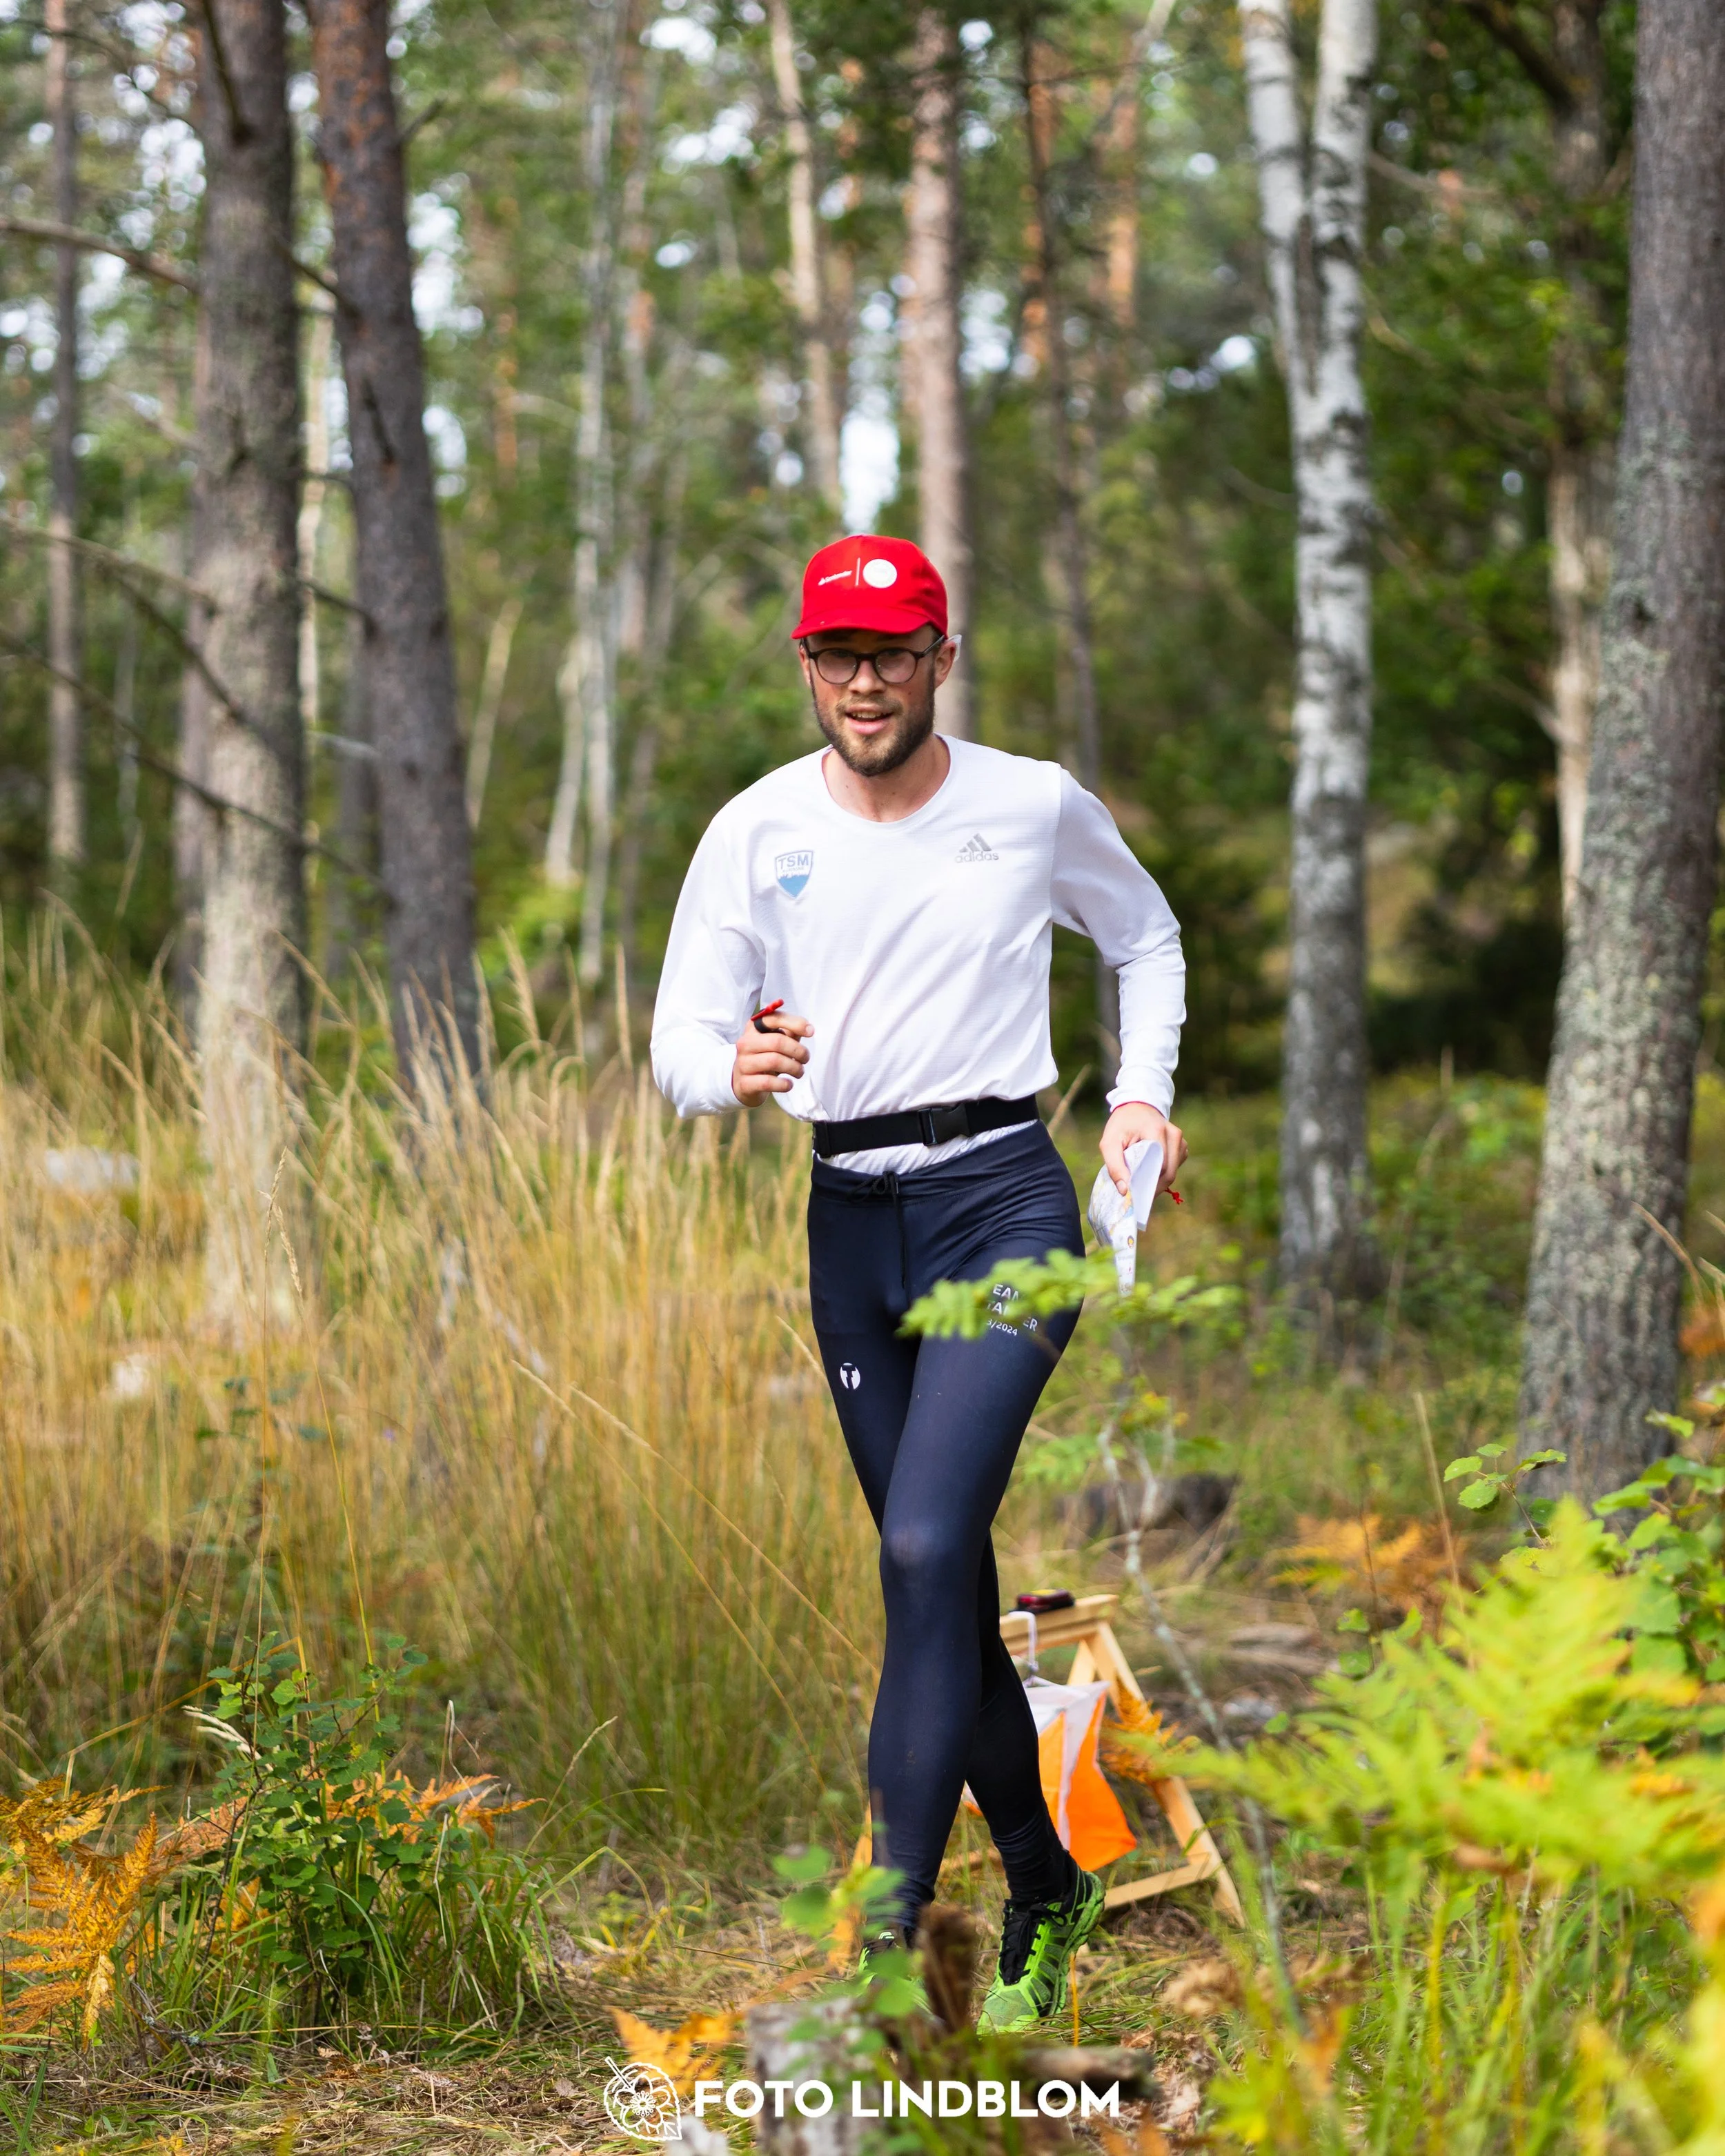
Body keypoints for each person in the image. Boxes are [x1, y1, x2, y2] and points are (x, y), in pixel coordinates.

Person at [650, 534, 1186, 2032]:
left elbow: (1142, 934)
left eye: (893, 652)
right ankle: (1044, 1877)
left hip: (1003, 1201)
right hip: (849, 1221)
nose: (865, 680)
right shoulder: (754, 830)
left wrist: (1138, 1094)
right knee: (934, 1574)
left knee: (923, 1541)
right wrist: (728, 1071)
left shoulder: (1026, 804)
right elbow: (678, 1035)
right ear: (805, 665)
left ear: (940, 656)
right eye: (837, 653)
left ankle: (884, 1944)